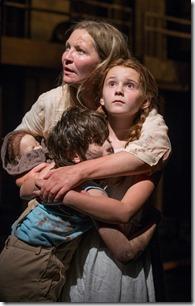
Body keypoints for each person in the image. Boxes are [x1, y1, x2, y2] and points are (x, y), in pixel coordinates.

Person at [1, 20, 171, 302]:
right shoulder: (53, 100)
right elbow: (16, 151)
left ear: (104, 62)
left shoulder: (131, 110)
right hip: (56, 241)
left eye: (80, 51)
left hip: (107, 232)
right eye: (67, 48)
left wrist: (74, 175)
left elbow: (153, 152)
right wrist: (32, 164)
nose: (67, 56)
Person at [0, 107, 159, 302]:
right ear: (75, 155)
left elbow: (24, 190)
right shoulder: (91, 193)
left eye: (108, 139)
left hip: (11, 253)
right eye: (99, 141)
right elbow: (125, 250)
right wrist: (154, 221)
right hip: (34, 268)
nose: (109, 145)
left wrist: (58, 190)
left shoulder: (55, 174)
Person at [45, 57, 165, 302]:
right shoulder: (82, 137)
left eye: (130, 85)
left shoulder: (146, 151)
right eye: (112, 84)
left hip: (120, 254)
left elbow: (125, 212)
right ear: (101, 96)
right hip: (80, 247)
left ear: (145, 101)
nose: (119, 89)